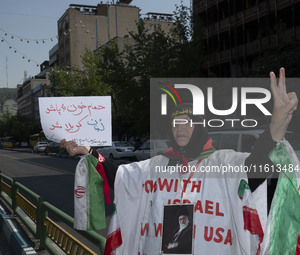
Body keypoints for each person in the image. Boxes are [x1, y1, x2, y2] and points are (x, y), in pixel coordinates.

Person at [61, 68, 299, 254]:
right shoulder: (157, 165)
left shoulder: (222, 162)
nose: (180, 128)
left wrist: (275, 129)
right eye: (176, 123)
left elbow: (256, 168)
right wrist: (90, 152)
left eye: (188, 122)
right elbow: (122, 175)